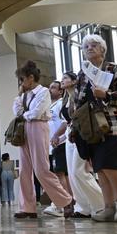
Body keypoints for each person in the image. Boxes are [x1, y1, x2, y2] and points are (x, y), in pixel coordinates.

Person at [72, 34, 117, 222]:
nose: (89, 48)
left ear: (102, 50)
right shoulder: (83, 74)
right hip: (92, 128)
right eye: (86, 46)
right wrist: (75, 128)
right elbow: (78, 103)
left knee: (111, 166)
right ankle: (109, 207)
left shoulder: (112, 68)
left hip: (114, 125)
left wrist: (106, 94)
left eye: (94, 45)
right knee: (99, 168)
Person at [12, 61, 73, 219]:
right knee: (25, 170)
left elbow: (36, 113)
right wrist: (24, 109)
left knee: (41, 169)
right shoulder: (24, 95)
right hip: (23, 129)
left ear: (31, 78)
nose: (21, 83)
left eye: (22, 79)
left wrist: (24, 114)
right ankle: (28, 207)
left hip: (39, 127)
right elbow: (16, 109)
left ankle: (66, 201)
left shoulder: (43, 92)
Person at [60, 71, 104, 218]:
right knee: (72, 173)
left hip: (81, 133)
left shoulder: (79, 96)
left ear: (74, 81)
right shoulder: (65, 99)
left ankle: (100, 204)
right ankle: (82, 207)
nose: (62, 80)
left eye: (65, 78)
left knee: (80, 171)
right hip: (70, 134)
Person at [45, 80, 70, 215]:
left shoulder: (61, 104)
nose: (50, 90)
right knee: (58, 174)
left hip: (60, 144)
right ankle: (64, 203)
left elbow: (65, 123)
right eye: (49, 87)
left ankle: (62, 204)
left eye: (53, 87)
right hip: (52, 146)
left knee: (60, 174)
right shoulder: (51, 105)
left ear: (60, 91)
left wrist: (57, 137)